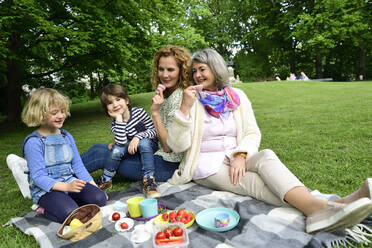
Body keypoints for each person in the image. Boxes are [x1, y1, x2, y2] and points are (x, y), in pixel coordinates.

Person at [166, 48, 372, 234]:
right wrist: (184, 109)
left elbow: (252, 132)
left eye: (202, 69)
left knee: (267, 156)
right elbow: (177, 146)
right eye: (194, 71)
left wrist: (241, 154)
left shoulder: (236, 96)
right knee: (256, 184)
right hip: (206, 165)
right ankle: (333, 206)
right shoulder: (191, 100)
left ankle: (326, 209)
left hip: (234, 154)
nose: (197, 75)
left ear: (216, 69)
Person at [81, 45, 192, 184]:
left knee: (101, 154)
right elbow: (152, 133)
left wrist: (155, 112)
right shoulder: (167, 94)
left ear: (181, 71)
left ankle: (60, 178)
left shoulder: (180, 98)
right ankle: (60, 174)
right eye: (161, 69)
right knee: (99, 147)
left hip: (168, 165)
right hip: (152, 154)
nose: (165, 75)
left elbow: (168, 147)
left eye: (170, 70)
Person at [21, 88, 107, 223]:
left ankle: (68, 201)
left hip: (69, 181)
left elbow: (78, 165)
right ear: (39, 114)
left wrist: (94, 187)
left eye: (62, 111)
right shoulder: (33, 142)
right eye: (54, 113)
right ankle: (43, 208)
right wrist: (66, 188)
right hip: (46, 190)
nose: (61, 116)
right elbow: (38, 177)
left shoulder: (65, 136)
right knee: (70, 214)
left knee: (99, 199)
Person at [96, 84, 160, 198]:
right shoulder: (114, 124)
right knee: (116, 149)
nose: (115, 104)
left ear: (126, 100)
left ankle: (149, 179)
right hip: (131, 148)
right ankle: (106, 179)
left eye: (118, 99)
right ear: (107, 108)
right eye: (110, 103)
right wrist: (119, 119)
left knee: (143, 143)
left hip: (149, 145)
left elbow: (154, 131)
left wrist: (138, 137)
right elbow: (121, 142)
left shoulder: (139, 112)